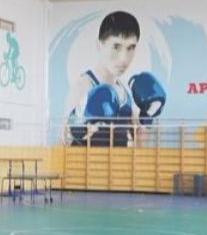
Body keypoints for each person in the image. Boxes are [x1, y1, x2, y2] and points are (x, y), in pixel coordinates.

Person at [65, 11, 166, 146]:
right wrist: (80, 127)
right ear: (99, 45)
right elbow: (63, 141)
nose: (123, 58)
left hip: (120, 159)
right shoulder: (84, 85)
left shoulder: (123, 91)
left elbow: (139, 142)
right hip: (90, 160)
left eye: (130, 48)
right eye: (116, 47)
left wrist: (148, 117)